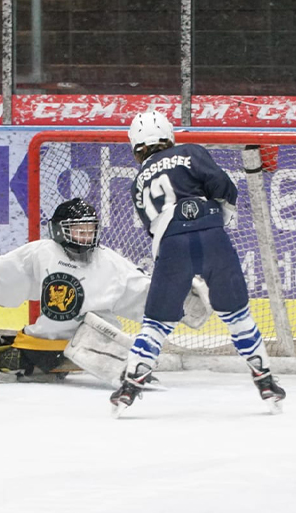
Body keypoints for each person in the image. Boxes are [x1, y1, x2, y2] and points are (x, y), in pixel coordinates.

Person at [110, 110, 286, 415]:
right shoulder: (190, 152)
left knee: (156, 324)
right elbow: (222, 184)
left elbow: (152, 227)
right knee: (237, 316)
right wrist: (223, 212)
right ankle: (265, 380)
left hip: (171, 246)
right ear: (169, 136)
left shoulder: (138, 181)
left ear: (136, 146)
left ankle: (129, 386)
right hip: (211, 237)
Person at [0, 198, 153, 383]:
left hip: (92, 343)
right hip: (43, 344)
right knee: (20, 359)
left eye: (90, 230)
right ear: (59, 229)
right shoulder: (42, 252)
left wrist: (174, 300)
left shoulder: (108, 260)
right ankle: (5, 356)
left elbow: (140, 288)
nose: (86, 236)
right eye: (79, 230)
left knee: (103, 331)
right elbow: (8, 275)